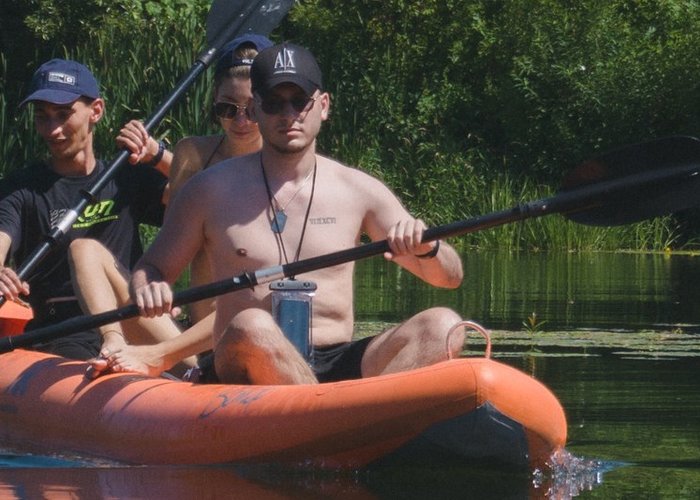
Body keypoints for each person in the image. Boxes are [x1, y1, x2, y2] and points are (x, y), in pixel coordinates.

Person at [129, 39, 482, 384]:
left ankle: (346, 411)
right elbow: (152, 268)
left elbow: (448, 278)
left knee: (444, 326)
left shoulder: (358, 189)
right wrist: (150, 286)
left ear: (323, 106)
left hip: (336, 358)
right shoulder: (209, 190)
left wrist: (428, 249)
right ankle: (337, 413)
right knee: (251, 324)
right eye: (273, 103)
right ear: (256, 108)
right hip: (246, 358)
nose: (288, 115)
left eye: (300, 102)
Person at [0, 60, 172, 329]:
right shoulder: (21, 187)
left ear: (96, 111)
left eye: (63, 114)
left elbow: (206, 197)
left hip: (132, 318)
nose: (52, 129)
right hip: (63, 326)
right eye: (42, 116)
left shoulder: (126, 176)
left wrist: (157, 154)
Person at [164, 37, 272, 188]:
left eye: (252, 109)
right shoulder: (191, 154)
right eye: (227, 107)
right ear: (215, 96)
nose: (241, 121)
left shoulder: (288, 165)